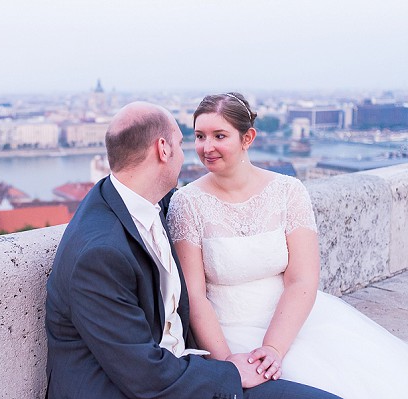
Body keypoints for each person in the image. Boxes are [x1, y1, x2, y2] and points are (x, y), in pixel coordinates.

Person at [45, 101, 339, 398]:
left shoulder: (149, 202)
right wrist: (232, 372)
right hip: (147, 386)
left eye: (218, 136)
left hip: (184, 369)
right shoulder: (99, 253)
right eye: (187, 141)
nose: (197, 151)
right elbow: (144, 375)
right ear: (163, 149)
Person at [169, 92, 408, 398]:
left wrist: (273, 347)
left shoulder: (287, 192)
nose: (207, 147)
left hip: (292, 322)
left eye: (219, 135)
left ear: (247, 138)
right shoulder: (187, 203)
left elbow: (302, 279)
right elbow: (195, 296)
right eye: (200, 136)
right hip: (225, 332)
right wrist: (228, 364)